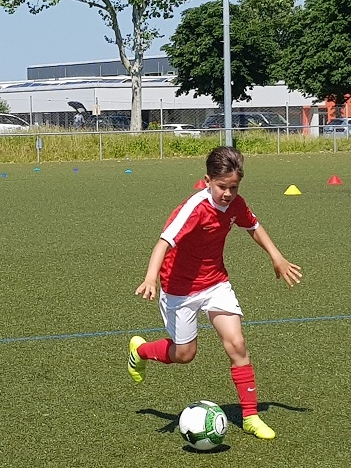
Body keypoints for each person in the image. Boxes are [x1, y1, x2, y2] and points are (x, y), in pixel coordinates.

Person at [129, 146, 302, 440]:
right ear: (207, 180)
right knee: (185, 354)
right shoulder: (194, 209)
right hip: (179, 289)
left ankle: (250, 416)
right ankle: (141, 351)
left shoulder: (236, 204)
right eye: (222, 186)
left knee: (237, 344)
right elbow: (163, 243)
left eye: (234, 187)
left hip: (215, 284)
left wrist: (277, 257)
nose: (228, 193)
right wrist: (150, 278)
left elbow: (253, 226)